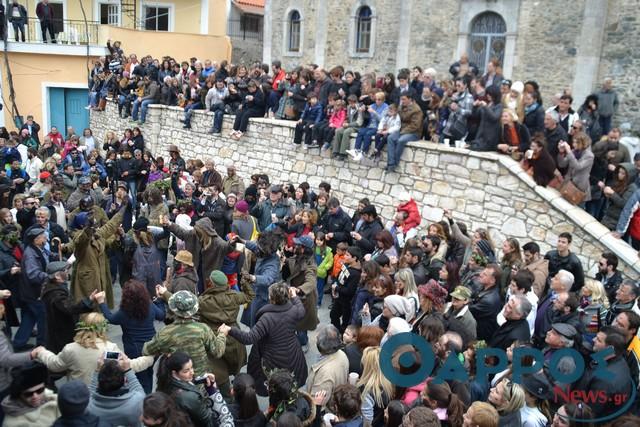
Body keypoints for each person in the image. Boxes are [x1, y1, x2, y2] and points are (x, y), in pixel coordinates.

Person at [224, 283, 307, 396]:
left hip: (273, 358)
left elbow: (249, 338)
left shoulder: (267, 318)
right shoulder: (293, 310)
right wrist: (294, 296)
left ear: (271, 298)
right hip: (293, 353)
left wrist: (230, 330)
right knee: (288, 383)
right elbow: (301, 310)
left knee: (275, 387)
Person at [185, 270, 254, 400]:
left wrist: (165, 293)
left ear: (212, 284)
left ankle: (223, 394)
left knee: (219, 371)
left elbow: (184, 305)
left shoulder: (204, 301)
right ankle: (235, 392)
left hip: (214, 339)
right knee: (234, 366)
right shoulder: (234, 296)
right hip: (233, 336)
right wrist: (244, 283)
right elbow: (250, 296)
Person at [96, 279, 165, 393]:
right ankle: (147, 396)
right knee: (149, 373)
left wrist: (101, 302)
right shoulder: (149, 305)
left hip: (134, 348)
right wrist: (159, 300)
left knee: (139, 377)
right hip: (152, 346)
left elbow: (110, 318)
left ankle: (142, 400)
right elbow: (161, 315)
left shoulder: (125, 312)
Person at [143, 290, 228, 377]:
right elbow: (217, 352)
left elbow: (146, 350)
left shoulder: (166, 333)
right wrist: (222, 334)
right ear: (194, 309)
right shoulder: (203, 329)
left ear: (173, 309)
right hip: (202, 380)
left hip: (179, 383)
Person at [157, 351, 233, 427]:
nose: (192, 372)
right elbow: (208, 420)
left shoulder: (165, 382)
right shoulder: (190, 397)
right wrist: (212, 391)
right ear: (174, 373)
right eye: (186, 371)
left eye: (192, 367)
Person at [40, 261, 95, 354]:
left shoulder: (53, 287)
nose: (67, 272)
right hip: (61, 331)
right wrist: (88, 300)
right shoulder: (56, 294)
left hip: (58, 328)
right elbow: (70, 308)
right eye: (65, 271)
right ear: (57, 276)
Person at [86, 356, 145, 426]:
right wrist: (128, 370)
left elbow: (90, 392)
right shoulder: (136, 402)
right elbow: (139, 390)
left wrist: (98, 370)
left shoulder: (88, 405)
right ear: (124, 381)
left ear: (99, 383)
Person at [1, 362, 59, 426]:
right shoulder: (13, 423)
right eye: (28, 394)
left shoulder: (56, 399)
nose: (35, 396)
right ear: (19, 395)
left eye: (40, 390)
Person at [306, 325, 348, 404]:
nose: (316, 337)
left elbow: (317, 403)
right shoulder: (342, 353)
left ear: (322, 346)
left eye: (318, 338)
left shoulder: (324, 374)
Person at [386, 93, 423, 172]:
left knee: (401, 140)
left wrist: (402, 132)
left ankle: (395, 163)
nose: (402, 101)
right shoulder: (400, 107)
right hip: (402, 130)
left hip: (414, 133)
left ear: (410, 99)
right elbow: (397, 118)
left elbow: (415, 125)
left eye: (404, 99)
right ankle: (391, 163)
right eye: (401, 99)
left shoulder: (416, 110)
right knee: (390, 138)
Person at [469, 264, 502, 341]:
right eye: (482, 272)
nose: (480, 275)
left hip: (480, 336)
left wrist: (467, 302)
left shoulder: (489, 300)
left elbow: (469, 310)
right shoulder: (483, 287)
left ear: (492, 280)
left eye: (484, 274)